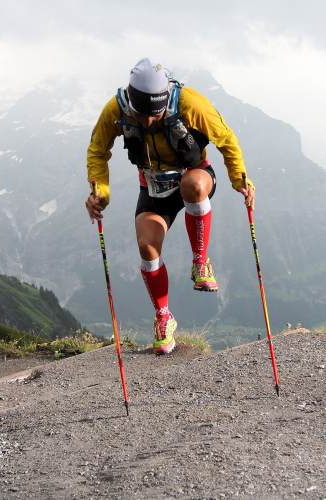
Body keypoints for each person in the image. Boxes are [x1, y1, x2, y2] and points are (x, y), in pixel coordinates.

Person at [85, 57, 254, 355]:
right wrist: (100, 193)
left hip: (194, 174)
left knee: (193, 186)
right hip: (153, 186)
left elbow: (225, 139)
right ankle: (164, 319)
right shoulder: (116, 109)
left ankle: (200, 261)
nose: (149, 122)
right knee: (146, 247)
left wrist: (239, 178)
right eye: (142, 115)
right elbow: (98, 150)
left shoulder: (190, 103)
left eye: (156, 114)